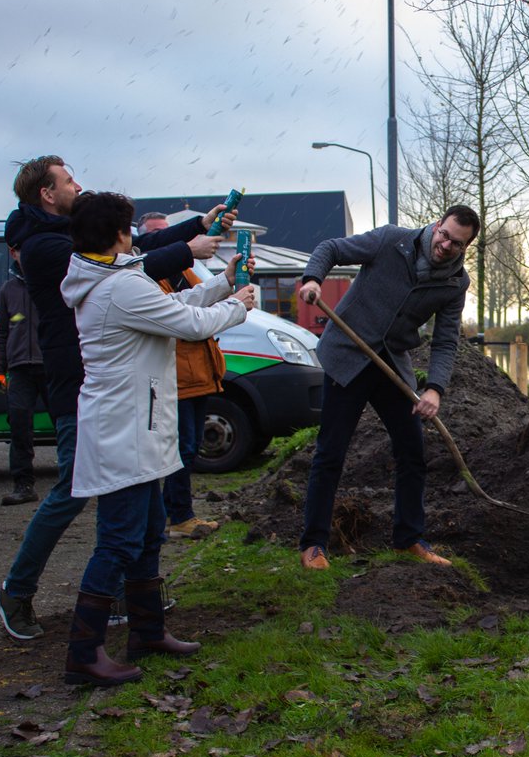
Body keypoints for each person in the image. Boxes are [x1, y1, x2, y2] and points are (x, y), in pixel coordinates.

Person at [0, 156, 230, 641]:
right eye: (68, 179)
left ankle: (131, 602)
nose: (78, 185)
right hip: (81, 384)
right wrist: (189, 249)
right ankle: (18, 592)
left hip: (105, 383)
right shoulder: (45, 247)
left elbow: (132, 249)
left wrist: (196, 227)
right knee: (72, 493)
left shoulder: (69, 235)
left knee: (132, 502)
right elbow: (132, 265)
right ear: (46, 193)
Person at [60, 191, 253, 686]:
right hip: (123, 431)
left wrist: (222, 284)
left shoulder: (115, 280)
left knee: (147, 534)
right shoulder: (118, 287)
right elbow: (188, 324)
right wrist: (236, 305)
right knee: (118, 541)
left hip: (138, 430)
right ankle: (83, 652)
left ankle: (148, 632)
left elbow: (174, 304)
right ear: (119, 234)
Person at [296, 205, 479, 570]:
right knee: (331, 453)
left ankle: (408, 539)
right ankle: (314, 544)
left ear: (465, 247)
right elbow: (331, 248)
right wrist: (313, 278)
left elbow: (445, 341)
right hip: (348, 355)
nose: (445, 245)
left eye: (456, 244)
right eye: (444, 235)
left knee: (412, 451)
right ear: (437, 224)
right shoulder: (391, 240)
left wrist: (435, 389)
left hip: (391, 363)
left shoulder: (455, 282)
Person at [137, 211, 222, 538]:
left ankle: (172, 514)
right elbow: (181, 314)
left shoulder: (187, 271)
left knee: (188, 446)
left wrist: (228, 283)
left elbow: (201, 306)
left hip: (200, 372)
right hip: (175, 376)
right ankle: (177, 517)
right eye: (158, 235)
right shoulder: (145, 280)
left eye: (169, 233)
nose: (168, 239)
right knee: (180, 449)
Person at [0, 246, 47, 507]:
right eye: (19, 250)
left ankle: (77, 480)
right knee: (19, 426)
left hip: (51, 365)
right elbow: (3, 331)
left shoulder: (52, 282)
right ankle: (23, 484)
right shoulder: (7, 290)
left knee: (68, 424)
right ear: (13, 253)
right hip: (19, 369)